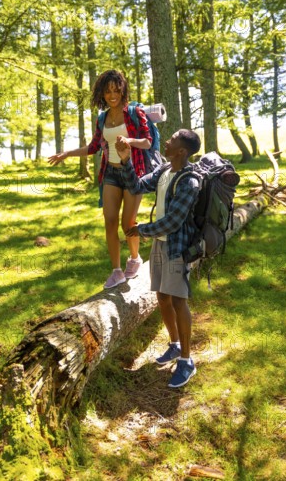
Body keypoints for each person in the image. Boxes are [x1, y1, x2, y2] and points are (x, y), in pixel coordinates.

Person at [48, 70, 152, 289]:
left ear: (123, 90)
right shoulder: (102, 118)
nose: (112, 95)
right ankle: (116, 271)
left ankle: (135, 259)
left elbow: (147, 142)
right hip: (111, 175)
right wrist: (67, 153)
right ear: (102, 94)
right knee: (110, 221)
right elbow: (94, 147)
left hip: (134, 173)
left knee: (128, 224)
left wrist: (130, 140)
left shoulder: (135, 112)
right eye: (108, 92)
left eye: (116, 90)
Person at [115, 129, 201, 388]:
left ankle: (187, 361)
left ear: (182, 151)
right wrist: (126, 159)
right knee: (162, 297)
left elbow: (174, 222)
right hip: (159, 246)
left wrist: (141, 230)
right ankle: (174, 346)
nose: (167, 141)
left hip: (177, 247)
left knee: (178, 300)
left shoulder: (190, 181)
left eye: (172, 140)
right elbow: (137, 185)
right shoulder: (165, 171)